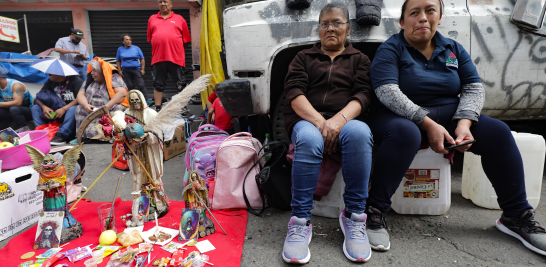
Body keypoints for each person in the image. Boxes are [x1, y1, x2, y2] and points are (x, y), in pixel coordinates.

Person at [365, 0, 546, 256]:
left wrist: (465, 123)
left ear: (440, 18)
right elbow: (387, 91)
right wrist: (427, 124)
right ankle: (373, 211)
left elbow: (473, 87)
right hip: (397, 117)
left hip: (451, 113)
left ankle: (517, 216)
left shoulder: (452, 48)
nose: (423, 18)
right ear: (402, 22)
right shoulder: (391, 49)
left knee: (498, 132)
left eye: (430, 11)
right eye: (414, 13)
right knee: (407, 133)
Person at [281, 3, 374, 263]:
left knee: (359, 134)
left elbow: (364, 95)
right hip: (307, 120)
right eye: (325, 24)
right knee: (309, 138)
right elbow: (294, 93)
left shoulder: (360, 60)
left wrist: (338, 121)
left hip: (346, 120)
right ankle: (300, 221)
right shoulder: (303, 58)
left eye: (337, 23)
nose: (331, 28)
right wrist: (322, 123)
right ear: (319, 29)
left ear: (348, 28)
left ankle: (354, 218)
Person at [147, 0, 191, 113]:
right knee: (158, 84)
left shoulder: (180, 19)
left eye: (165, 1)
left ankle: (183, 107)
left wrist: (175, 49)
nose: (162, 4)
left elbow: (186, 40)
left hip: (176, 57)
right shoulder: (152, 19)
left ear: (171, 4)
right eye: (160, 2)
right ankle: (157, 108)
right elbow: (151, 39)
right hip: (158, 58)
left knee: (180, 84)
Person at [74, 57, 129, 141]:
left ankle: (110, 136)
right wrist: (85, 105)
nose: (92, 73)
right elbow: (80, 94)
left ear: (102, 72)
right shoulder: (90, 79)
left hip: (108, 107)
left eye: (94, 71)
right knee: (79, 108)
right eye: (91, 71)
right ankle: (83, 137)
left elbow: (122, 93)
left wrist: (108, 106)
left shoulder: (113, 77)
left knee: (119, 109)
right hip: (92, 108)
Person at [32, 73, 83, 145]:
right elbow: (39, 96)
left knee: (74, 108)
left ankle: (61, 135)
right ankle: (42, 133)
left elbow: (80, 98)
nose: (48, 75)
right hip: (52, 111)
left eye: (50, 74)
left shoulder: (76, 81)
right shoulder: (50, 81)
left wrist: (63, 109)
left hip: (67, 112)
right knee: (35, 107)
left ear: (59, 75)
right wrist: (44, 108)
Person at [116, 34, 149, 101]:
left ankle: (147, 100)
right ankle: (133, 101)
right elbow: (118, 60)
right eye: (126, 40)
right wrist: (120, 70)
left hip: (136, 69)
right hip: (126, 70)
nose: (128, 41)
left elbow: (142, 59)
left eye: (129, 40)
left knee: (141, 85)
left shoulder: (136, 48)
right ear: (123, 42)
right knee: (130, 86)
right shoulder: (120, 49)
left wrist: (142, 69)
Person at [0, 65, 34, 131]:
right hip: (10, 112)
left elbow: (18, 103)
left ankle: (22, 131)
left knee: (14, 109)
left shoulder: (16, 85)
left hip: (26, 112)